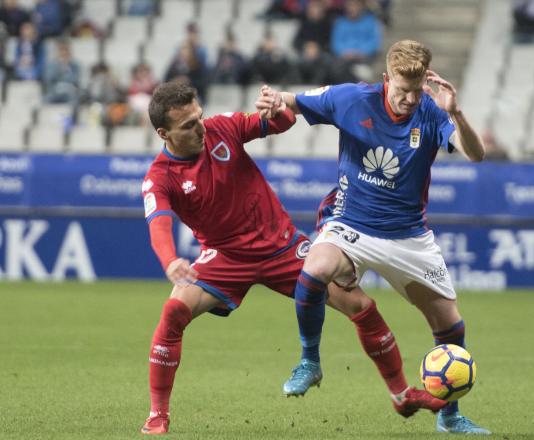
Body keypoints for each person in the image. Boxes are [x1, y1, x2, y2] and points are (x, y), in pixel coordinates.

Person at [139, 81, 444, 434]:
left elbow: (280, 123)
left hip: (282, 247)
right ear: (164, 133)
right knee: (174, 311)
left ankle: (401, 394)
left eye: (199, 117)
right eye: (188, 125)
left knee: (361, 306)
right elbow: (158, 223)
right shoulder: (159, 177)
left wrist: (276, 109)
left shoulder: (222, 127)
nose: (200, 128)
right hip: (226, 257)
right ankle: (157, 414)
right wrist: (170, 261)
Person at [268, 39, 491, 434]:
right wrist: (273, 98)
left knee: (451, 326)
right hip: (351, 223)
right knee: (314, 268)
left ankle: (450, 415)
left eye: (417, 90)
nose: (409, 99)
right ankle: (309, 361)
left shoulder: (433, 113)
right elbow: (294, 100)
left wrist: (456, 113)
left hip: (408, 236)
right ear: (386, 78)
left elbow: (476, 154)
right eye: (402, 90)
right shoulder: (351, 99)